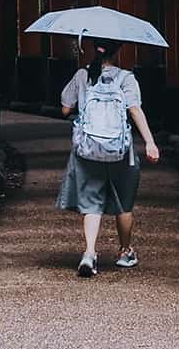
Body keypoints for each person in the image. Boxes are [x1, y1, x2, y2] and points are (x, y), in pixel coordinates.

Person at [58, 37, 161, 277]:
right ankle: (125, 252)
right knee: (124, 203)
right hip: (119, 149)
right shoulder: (126, 78)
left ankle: (90, 253)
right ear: (119, 51)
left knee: (91, 202)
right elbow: (135, 109)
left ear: (95, 49)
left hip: (87, 149)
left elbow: (64, 108)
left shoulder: (83, 75)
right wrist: (150, 142)